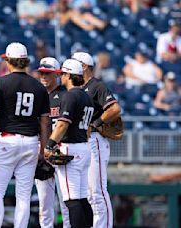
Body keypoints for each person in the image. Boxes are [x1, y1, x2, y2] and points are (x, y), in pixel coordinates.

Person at [0, 42, 50, 227]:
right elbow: (44, 121)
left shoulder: (0, 82)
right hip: (30, 142)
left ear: (8, 61)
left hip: (8, 140)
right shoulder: (38, 87)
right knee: (24, 195)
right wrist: (43, 149)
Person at [72, 52, 122, 228]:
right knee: (87, 193)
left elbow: (115, 109)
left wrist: (95, 124)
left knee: (97, 191)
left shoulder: (96, 86)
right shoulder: (76, 88)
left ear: (84, 66)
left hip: (95, 141)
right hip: (81, 143)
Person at [44, 59, 94, 228]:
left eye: (63, 74)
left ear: (69, 75)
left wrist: (49, 145)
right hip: (84, 147)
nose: (61, 77)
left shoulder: (70, 95)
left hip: (70, 149)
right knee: (81, 198)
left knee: (71, 200)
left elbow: (62, 124)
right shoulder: (86, 96)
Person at [35, 57, 70, 228]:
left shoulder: (65, 95)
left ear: (57, 74)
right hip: (42, 152)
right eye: (41, 72)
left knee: (66, 201)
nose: (43, 76)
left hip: (61, 151)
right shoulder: (36, 95)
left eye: (48, 73)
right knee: (44, 202)